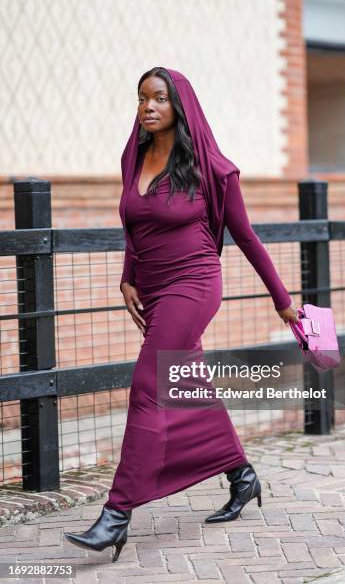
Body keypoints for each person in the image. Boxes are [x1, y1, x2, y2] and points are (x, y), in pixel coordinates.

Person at [64, 67, 299, 562]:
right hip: (152, 285)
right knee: (186, 385)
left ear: (180, 106)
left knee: (149, 387)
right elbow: (133, 221)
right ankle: (242, 475)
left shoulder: (214, 169)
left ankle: (116, 514)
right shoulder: (134, 155)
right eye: (142, 99)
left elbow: (248, 238)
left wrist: (283, 302)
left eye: (160, 99)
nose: (148, 107)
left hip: (194, 285)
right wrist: (127, 274)